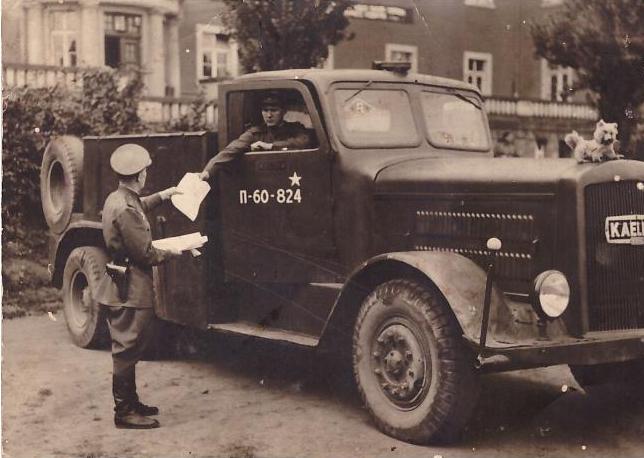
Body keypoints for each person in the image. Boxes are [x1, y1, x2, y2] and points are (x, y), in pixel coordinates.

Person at [94, 143, 182, 429]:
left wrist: (165, 195)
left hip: (123, 281)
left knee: (130, 345)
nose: (146, 175)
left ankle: (131, 402)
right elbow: (146, 254)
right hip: (130, 287)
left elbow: (139, 205)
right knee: (127, 347)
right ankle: (124, 412)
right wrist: (176, 250)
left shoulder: (119, 198)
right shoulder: (125, 208)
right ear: (139, 175)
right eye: (145, 171)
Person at [199, 92, 312, 180]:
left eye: (274, 110)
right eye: (265, 110)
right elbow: (231, 149)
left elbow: (303, 141)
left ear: (283, 111)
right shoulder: (255, 133)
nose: (269, 115)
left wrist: (270, 146)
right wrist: (207, 172)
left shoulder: (294, 129)